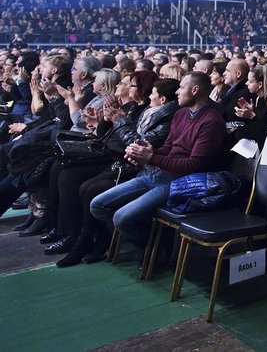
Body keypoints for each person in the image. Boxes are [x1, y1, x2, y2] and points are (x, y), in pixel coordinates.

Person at [88, 72, 228, 248]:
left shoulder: (211, 122)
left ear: (195, 90)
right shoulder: (181, 114)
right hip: (161, 174)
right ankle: (154, 243)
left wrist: (151, 157)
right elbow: (167, 149)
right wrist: (144, 152)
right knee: (97, 205)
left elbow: (193, 166)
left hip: (183, 183)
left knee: (121, 218)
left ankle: (156, 251)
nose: (177, 92)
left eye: (182, 87)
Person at [57, 78, 180, 267]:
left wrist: (121, 122)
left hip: (140, 167)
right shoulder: (145, 111)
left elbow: (136, 142)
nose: (150, 95)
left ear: (162, 99)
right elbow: (112, 138)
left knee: (90, 189)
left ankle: (96, 241)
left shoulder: (163, 115)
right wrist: (105, 120)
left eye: (130, 84)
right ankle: (74, 235)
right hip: (129, 161)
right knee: (68, 176)